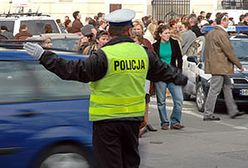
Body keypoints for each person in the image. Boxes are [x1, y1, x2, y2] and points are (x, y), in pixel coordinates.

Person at [24, 9, 188, 168]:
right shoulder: (143, 53)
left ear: (109, 32)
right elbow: (163, 71)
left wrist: (44, 56)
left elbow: (73, 70)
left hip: (106, 123)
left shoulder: (104, 55)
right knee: (130, 163)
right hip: (132, 121)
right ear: (130, 30)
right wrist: (181, 78)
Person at [203, 13, 245, 121]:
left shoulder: (211, 33)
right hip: (220, 67)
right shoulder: (221, 34)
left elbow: (207, 52)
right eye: (227, 21)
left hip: (217, 66)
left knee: (227, 87)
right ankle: (208, 113)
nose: (228, 23)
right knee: (214, 90)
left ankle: (233, 110)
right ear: (222, 21)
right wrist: (239, 65)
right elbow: (229, 51)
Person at [153, 24, 184, 130]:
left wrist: (179, 71)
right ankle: (164, 122)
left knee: (179, 99)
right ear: (160, 34)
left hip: (172, 74)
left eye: (169, 33)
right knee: (161, 101)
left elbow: (179, 58)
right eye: (165, 33)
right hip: (160, 75)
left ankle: (175, 121)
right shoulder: (155, 46)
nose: (168, 35)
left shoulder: (174, 43)